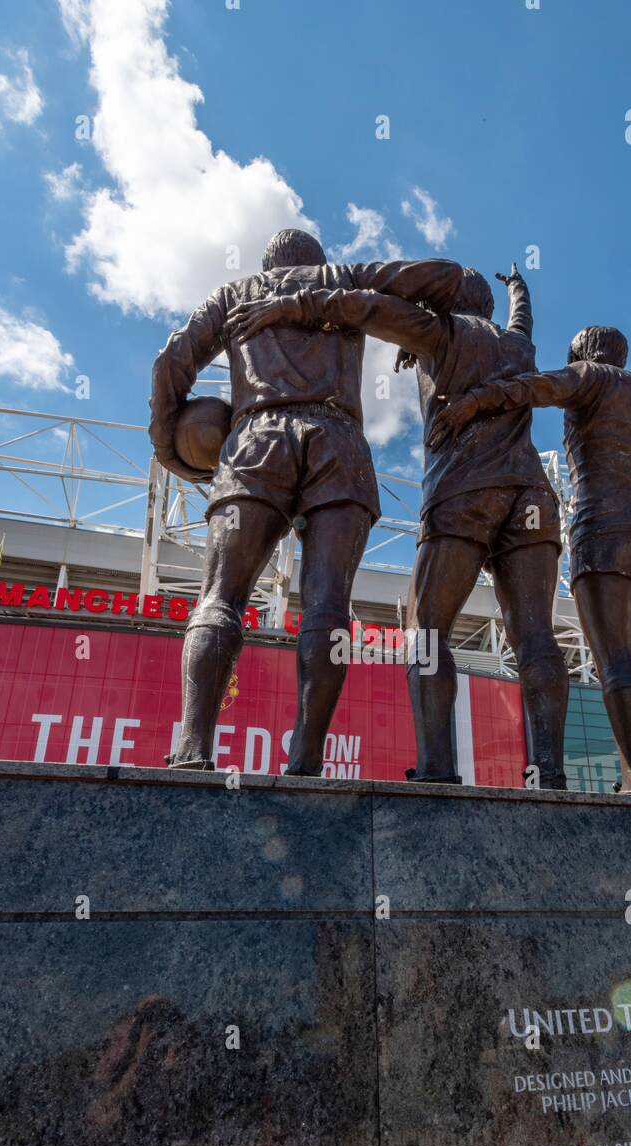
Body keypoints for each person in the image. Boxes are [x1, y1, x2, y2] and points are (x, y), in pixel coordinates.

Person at [227, 264, 568, 788]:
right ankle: (550, 772)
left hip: (465, 492)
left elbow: (359, 306)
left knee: (427, 633)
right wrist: (518, 287)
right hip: (532, 496)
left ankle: (436, 768)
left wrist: (287, 307)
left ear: (445, 303)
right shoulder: (519, 347)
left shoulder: (438, 330)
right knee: (536, 637)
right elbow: (523, 318)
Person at [149, 229, 461, 773]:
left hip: (254, 440)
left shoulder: (235, 294)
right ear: (316, 261)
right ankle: (307, 757)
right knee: (327, 608)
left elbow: (170, 360)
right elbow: (445, 276)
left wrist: (168, 445)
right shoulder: (343, 280)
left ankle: (194, 747)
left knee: (221, 596)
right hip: (337, 443)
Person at [427, 326, 631, 796]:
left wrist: (473, 402)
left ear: (582, 353)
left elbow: (530, 387)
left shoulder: (589, 377)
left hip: (606, 539)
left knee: (616, 661)